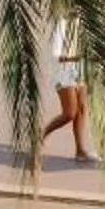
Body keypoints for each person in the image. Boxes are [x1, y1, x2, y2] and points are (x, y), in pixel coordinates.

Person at [40, 12, 93, 162]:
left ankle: (80, 150)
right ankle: (41, 134)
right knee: (69, 113)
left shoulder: (83, 22)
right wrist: (79, 57)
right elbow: (58, 56)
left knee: (81, 110)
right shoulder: (61, 24)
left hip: (79, 70)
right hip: (63, 73)